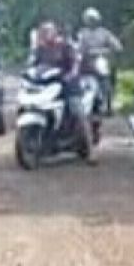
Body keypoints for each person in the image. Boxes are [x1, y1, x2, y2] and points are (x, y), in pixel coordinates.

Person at [32, 20, 96, 164]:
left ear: (55, 32)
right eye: (43, 32)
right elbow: (33, 66)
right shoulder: (40, 50)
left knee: (78, 112)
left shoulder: (65, 46)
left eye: (48, 31)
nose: (45, 34)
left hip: (68, 85)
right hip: (48, 87)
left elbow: (75, 64)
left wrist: (71, 74)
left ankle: (92, 152)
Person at [76, 8, 123, 114]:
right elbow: (79, 47)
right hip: (86, 61)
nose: (90, 22)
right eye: (88, 19)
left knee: (106, 75)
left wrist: (106, 51)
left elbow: (118, 46)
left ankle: (109, 104)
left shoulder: (104, 33)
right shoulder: (82, 33)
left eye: (92, 19)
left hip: (101, 61)